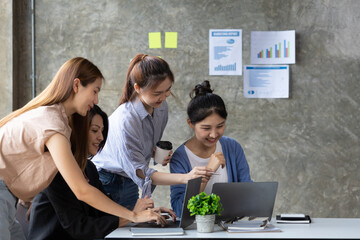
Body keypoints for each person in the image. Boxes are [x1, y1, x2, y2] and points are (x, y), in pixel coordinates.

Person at [0, 57, 173, 240]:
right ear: (76, 85)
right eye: (94, 91)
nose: (96, 99)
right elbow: (81, 190)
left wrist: (135, 214)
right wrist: (134, 215)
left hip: (9, 199)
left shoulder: (57, 120)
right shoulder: (53, 124)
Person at [92, 54, 211, 209]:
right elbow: (141, 172)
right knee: (111, 231)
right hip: (107, 180)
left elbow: (138, 155)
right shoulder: (126, 120)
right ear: (137, 88)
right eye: (156, 93)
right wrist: (186, 178)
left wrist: (153, 152)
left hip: (128, 180)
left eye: (167, 90)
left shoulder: (161, 107)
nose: (163, 97)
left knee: (130, 228)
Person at [28, 105, 156, 239]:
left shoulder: (89, 168)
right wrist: (133, 216)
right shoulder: (56, 171)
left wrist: (144, 214)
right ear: (77, 131)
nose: (101, 137)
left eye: (102, 131)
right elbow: (79, 227)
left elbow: (103, 213)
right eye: (95, 130)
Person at [170, 80, 252, 217]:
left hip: (230, 227)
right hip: (196, 229)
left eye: (220, 126)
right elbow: (180, 210)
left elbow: (247, 191)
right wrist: (208, 172)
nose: (214, 134)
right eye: (206, 128)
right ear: (190, 123)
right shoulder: (180, 157)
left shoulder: (233, 148)